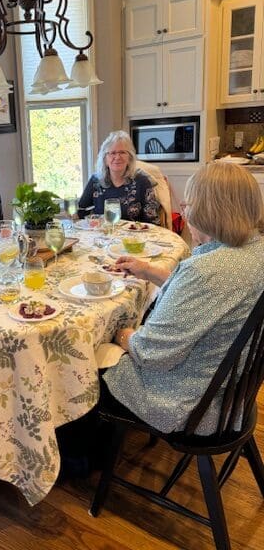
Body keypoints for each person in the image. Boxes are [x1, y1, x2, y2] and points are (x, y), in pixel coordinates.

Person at [103, 162, 264, 434]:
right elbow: (208, 299)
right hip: (234, 391)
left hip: (189, 404)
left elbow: (151, 353)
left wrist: (121, 334)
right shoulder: (252, 252)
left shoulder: (204, 271)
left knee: (94, 361)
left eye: (188, 204)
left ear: (207, 212)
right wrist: (148, 271)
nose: (185, 212)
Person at [78, 131, 161, 225]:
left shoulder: (142, 182)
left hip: (133, 234)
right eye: (112, 153)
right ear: (105, 159)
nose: (117, 157)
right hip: (103, 233)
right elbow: (81, 211)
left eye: (122, 152)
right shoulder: (95, 181)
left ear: (129, 158)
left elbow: (153, 221)